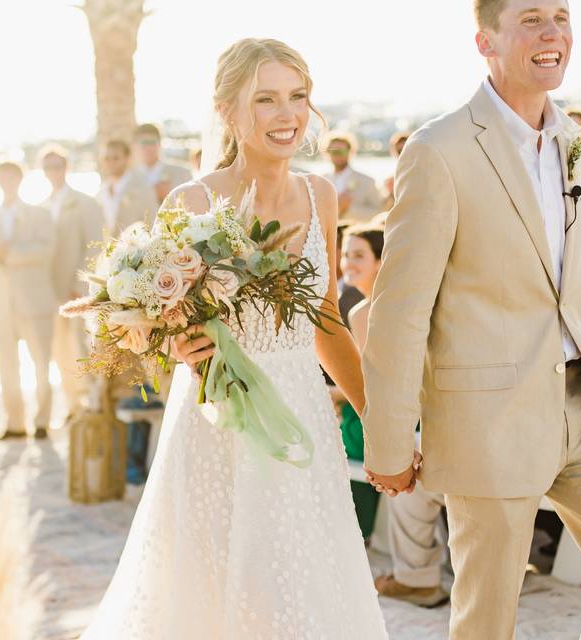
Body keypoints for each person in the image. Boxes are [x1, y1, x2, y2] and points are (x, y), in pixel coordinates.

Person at [361, 2, 581, 638]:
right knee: (487, 616)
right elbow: (400, 311)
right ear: (485, 41)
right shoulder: (438, 150)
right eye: (532, 18)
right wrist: (390, 443)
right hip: (489, 415)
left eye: (561, 17)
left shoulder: (570, 141)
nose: (553, 33)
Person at [79, 38, 388, 639]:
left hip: (302, 415)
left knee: (305, 583)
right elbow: (154, 320)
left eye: (297, 98)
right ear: (226, 109)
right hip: (221, 424)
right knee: (225, 590)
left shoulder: (320, 195)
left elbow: (324, 318)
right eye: (266, 99)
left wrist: (377, 420)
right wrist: (175, 344)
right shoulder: (191, 202)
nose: (287, 115)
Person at [0, 162, 56, 439]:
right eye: (2, 177)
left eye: (11, 176)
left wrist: (7, 253)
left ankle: (42, 420)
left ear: (20, 179)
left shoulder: (40, 214)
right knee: (6, 366)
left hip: (35, 301)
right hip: (0, 304)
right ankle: (15, 422)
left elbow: (46, 249)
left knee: (41, 363)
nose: (7, 181)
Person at [40, 145, 104, 419]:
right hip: (48, 290)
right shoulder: (41, 207)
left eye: (57, 166)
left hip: (75, 289)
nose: (53, 172)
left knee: (81, 344)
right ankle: (71, 404)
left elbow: (95, 245)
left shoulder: (85, 203)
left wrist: (78, 285)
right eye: (47, 167)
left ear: (66, 167)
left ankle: (89, 398)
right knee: (58, 348)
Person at [335, 224, 385, 540]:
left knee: (332, 438)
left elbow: (373, 384)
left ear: (380, 261)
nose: (348, 263)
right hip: (375, 406)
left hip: (383, 413)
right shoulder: (358, 311)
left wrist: (333, 394)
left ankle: (353, 531)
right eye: (345, 255)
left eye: (359, 256)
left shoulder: (367, 312)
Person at [96, 140, 158, 237]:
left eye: (115, 158)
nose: (110, 162)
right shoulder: (101, 191)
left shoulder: (143, 189)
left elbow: (153, 224)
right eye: (106, 158)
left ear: (127, 158)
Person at [322, 131, 381, 221]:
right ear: (327, 153)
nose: (338, 155)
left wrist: (349, 208)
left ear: (351, 152)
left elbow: (378, 214)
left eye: (342, 151)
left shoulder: (367, 181)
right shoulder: (321, 181)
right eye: (334, 152)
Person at [132, 123, 193, 203]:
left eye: (152, 142)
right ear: (135, 145)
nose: (149, 147)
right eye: (144, 143)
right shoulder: (128, 178)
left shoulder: (182, 173)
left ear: (160, 143)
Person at [380, 131, 410, 211]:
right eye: (399, 151)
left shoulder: (426, 173)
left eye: (406, 149)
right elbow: (385, 210)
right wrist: (391, 195)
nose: (403, 154)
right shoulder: (391, 181)